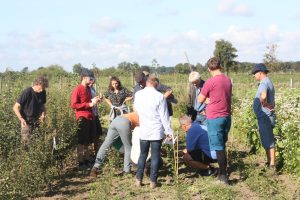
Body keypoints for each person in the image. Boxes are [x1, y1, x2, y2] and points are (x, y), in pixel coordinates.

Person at [134, 74, 173, 189]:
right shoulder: (159, 96)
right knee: (155, 156)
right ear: (156, 83)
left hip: (144, 130)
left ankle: (138, 179)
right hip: (156, 130)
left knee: (142, 155)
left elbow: (136, 109)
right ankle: (153, 181)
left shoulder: (138, 94)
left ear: (147, 82)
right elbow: (164, 117)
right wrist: (168, 131)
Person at [197, 57, 232, 184]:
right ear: (220, 66)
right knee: (222, 144)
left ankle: (223, 176)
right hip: (227, 116)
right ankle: (224, 171)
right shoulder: (228, 80)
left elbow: (200, 99)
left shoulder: (210, 82)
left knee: (219, 148)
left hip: (215, 117)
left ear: (208, 69)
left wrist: (207, 100)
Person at [90, 112, 139, 177]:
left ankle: (95, 168)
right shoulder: (146, 117)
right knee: (128, 147)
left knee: (106, 145)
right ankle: (127, 171)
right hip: (124, 122)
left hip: (116, 120)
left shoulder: (138, 113)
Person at [71, 68, 101, 169]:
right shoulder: (78, 89)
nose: (92, 80)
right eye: (90, 78)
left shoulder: (88, 88)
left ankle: (87, 159)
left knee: (88, 140)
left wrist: (94, 100)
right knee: (81, 141)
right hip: (82, 117)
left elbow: (89, 101)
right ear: (84, 78)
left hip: (90, 116)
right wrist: (89, 104)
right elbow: (74, 105)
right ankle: (81, 162)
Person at [252, 63, 276, 170]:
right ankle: (268, 162)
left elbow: (263, 96)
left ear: (261, 72)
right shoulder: (267, 81)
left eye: (255, 73)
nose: (254, 75)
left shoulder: (263, 83)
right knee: (266, 139)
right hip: (265, 116)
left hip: (265, 116)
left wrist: (265, 104)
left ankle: (272, 165)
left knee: (269, 141)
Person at [13, 76, 48, 147]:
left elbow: (43, 106)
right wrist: (21, 119)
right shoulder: (27, 92)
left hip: (38, 122)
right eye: (41, 88)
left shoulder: (43, 92)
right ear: (36, 84)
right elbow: (15, 107)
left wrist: (43, 115)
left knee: (37, 144)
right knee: (26, 145)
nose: (42, 90)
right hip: (27, 122)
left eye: (43, 88)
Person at [88, 77, 103, 156]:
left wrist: (98, 99)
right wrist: (93, 100)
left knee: (98, 133)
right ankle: (92, 152)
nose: (91, 84)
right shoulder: (86, 89)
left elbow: (93, 100)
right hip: (90, 114)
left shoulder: (92, 88)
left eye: (93, 83)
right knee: (92, 134)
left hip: (95, 113)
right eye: (91, 82)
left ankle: (96, 152)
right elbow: (87, 101)